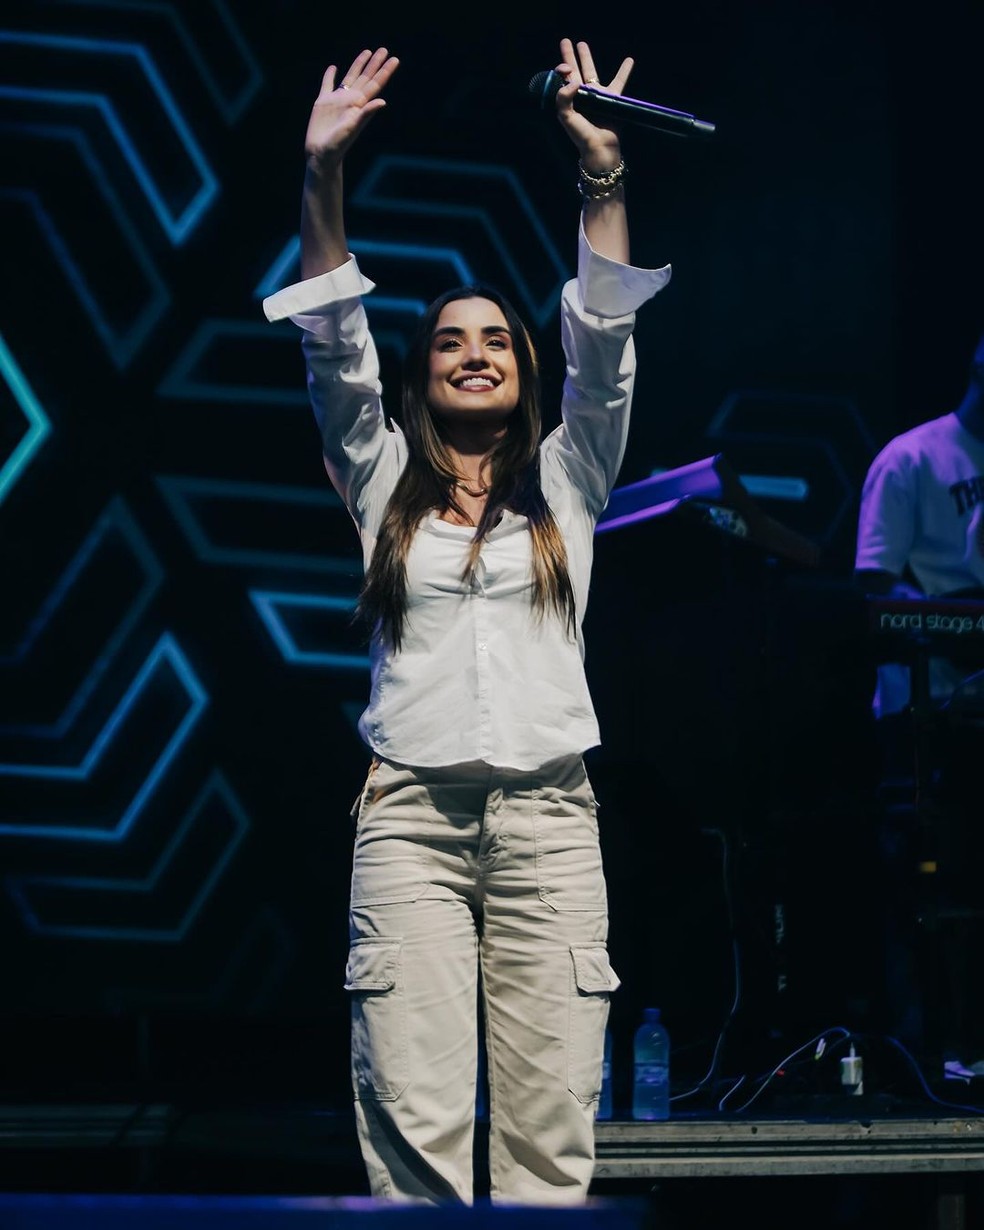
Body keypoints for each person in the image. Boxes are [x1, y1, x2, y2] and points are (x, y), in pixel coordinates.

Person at [262, 39, 671, 1204]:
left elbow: (608, 348)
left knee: (549, 1131)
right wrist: (320, 176)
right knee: (413, 1121)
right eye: (451, 338)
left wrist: (602, 175)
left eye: (496, 337)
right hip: (412, 821)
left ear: (522, 369)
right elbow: (333, 348)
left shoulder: (572, 476)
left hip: (550, 817)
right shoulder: (379, 479)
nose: (476, 352)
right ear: (423, 373)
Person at [854, 328, 984, 1079]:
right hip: (927, 719)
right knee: (935, 886)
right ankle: (936, 1047)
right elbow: (874, 587)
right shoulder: (913, 458)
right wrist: (959, 621)